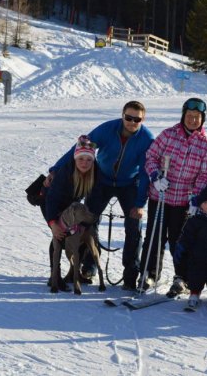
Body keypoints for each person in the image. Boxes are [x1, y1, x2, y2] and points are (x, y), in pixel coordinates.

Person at [46, 101, 154, 291]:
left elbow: (145, 173)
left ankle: (131, 274)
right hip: (101, 180)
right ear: (122, 116)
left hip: (129, 183)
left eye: (136, 119)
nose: (131, 122)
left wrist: (139, 203)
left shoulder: (146, 139)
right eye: (128, 117)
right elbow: (80, 148)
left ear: (142, 120)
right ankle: (88, 267)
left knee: (133, 226)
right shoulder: (107, 129)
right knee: (87, 222)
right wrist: (56, 169)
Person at [141, 97, 207, 296]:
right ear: (183, 116)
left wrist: (196, 197)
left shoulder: (205, 145)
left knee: (179, 240)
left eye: (197, 117)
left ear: (202, 119)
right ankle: (149, 273)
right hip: (161, 195)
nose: (193, 120)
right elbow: (151, 156)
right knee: (154, 236)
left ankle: (181, 277)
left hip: (183, 201)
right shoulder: (168, 135)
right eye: (189, 116)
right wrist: (155, 176)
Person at [44, 135, 99, 291]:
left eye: (89, 160)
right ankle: (54, 276)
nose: (85, 163)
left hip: (72, 205)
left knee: (80, 234)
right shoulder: (64, 173)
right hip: (51, 202)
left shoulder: (95, 171)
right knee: (60, 235)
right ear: (75, 158)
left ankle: (73, 272)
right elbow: (52, 200)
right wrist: (53, 223)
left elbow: (98, 194)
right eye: (81, 159)